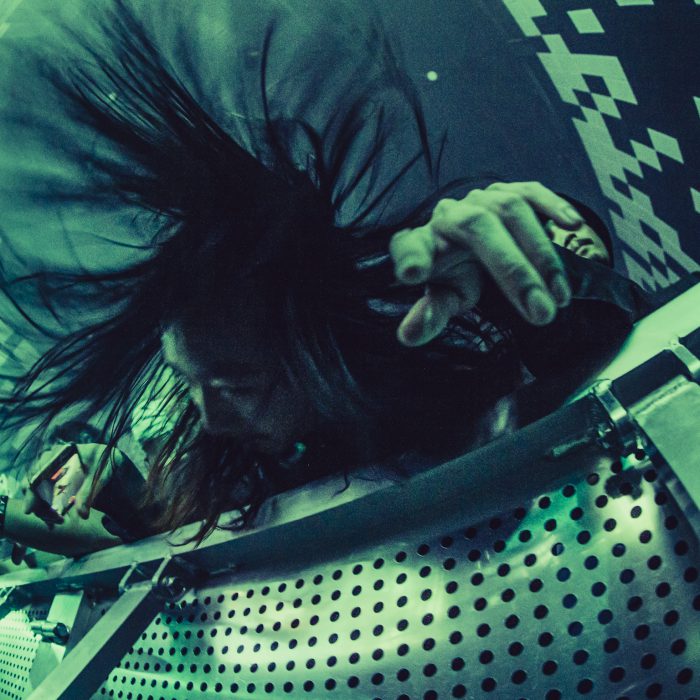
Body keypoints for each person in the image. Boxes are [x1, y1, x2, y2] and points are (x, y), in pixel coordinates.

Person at [0, 0, 656, 553]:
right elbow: (176, 531)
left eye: (237, 384)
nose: (211, 417)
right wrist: (112, 478)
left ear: (316, 351)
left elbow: (601, 353)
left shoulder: (426, 372)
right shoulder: (226, 446)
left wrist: (535, 271)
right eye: (190, 381)